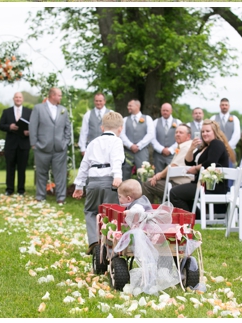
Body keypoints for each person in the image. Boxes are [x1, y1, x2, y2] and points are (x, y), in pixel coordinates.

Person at [72, 111, 125, 253]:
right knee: (111, 213)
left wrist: (79, 186)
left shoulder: (93, 143)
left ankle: (94, 241)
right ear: (120, 128)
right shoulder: (117, 141)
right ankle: (110, 244)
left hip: (93, 181)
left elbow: (84, 165)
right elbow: (116, 159)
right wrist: (117, 176)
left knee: (90, 211)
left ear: (102, 128)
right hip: (110, 181)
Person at [169, 120, 235, 213]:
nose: (204, 134)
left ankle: (190, 219)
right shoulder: (204, 147)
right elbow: (189, 162)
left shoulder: (216, 143)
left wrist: (196, 169)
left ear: (215, 132)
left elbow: (210, 162)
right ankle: (195, 217)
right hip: (201, 184)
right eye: (203, 132)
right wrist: (191, 148)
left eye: (208, 131)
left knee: (174, 193)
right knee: (177, 193)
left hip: (212, 186)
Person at [29, 87, 72, 204]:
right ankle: (40, 197)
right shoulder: (38, 108)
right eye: (59, 95)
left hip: (59, 148)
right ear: (53, 95)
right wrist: (34, 144)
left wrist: (65, 142)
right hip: (41, 147)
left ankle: (61, 198)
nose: (61, 97)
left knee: (60, 174)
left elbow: (68, 128)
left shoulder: (63, 110)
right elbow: (32, 126)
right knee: (41, 173)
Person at [142, 124, 194, 204]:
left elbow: (173, 167)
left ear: (188, 136)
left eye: (181, 132)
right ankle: (165, 209)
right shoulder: (183, 146)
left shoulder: (186, 148)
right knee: (153, 182)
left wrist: (158, 176)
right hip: (175, 182)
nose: (177, 134)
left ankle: (148, 212)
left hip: (180, 185)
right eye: (176, 132)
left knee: (147, 185)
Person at [0, 92, 31, 196]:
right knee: (10, 167)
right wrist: (9, 127)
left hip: (24, 144)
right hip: (11, 145)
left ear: (23, 99)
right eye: (16, 97)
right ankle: (9, 189)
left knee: (22, 168)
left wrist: (29, 132)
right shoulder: (6, 112)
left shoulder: (29, 112)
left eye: (20, 97)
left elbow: (34, 125)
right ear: (13, 99)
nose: (18, 99)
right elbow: (0, 125)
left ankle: (21, 190)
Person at [121, 99, 153, 181]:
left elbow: (150, 134)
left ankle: (143, 192)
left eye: (130, 105)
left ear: (137, 106)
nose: (128, 107)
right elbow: (121, 134)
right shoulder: (124, 120)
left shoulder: (148, 119)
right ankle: (124, 192)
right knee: (125, 173)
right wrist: (130, 145)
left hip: (142, 151)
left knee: (143, 175)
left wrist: (139, 145)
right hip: (127, 151)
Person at [150, 103, 178, 172]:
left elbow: (180, 140)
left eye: (167, 110)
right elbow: (152, 138)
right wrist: (161, 149)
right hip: (158, 155)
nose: (165, 112)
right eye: (163, 110)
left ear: (171, 111)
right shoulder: (155, 122)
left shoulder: (178, 122)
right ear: (161, 111)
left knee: (172, 173)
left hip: (173, 154)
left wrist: (171, 149)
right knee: (157, 174)